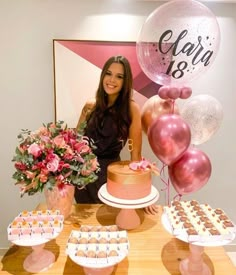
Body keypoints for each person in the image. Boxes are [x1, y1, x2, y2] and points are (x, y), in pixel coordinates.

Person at [74, 55, 157, 215]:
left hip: (109, 178)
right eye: (108, 74)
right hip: (82, 177)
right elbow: (75, 144)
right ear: (103, 75)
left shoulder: (131, 109)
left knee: (111, 227)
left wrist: (142, 194)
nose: (112, 80)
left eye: (119, 77)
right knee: (87, 231)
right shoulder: (90, 105)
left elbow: (136, 154)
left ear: (125, 82)